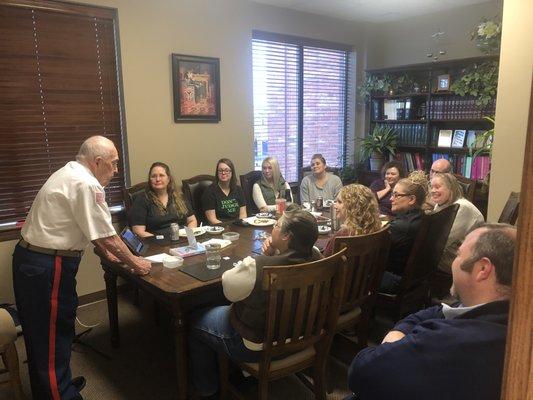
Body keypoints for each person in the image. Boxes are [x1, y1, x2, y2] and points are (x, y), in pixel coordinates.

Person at [12, 136, 151, 400]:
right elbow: (106, 237)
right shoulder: (86, 183)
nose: (117, 169)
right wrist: (137, 264)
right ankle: (58, 393)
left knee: (46, 333)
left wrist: (114, 257)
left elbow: (96, 239)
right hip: (47, 266)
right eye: (114, 163)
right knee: (51, 338)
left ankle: (55, 385)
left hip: (35, 262)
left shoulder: (70, 173)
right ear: (98, 162)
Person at [346, 223, 516, 400]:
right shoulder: (501, 312)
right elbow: (440, 310)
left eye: (458, 255)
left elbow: (360, 372)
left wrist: (392, 341)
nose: (453, 261)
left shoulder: (446, 341)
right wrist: (401, 331)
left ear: (482, 269)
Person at [187, 207, 321, 398]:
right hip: (303, 336)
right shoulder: (317, 256)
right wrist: (275, 252)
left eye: (276, 225)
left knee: (194, 320)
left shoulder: (258, 266)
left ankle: (207, 389)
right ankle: (235, 373)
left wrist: (264, 257)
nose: (272, 228)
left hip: (257, 345)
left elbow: (229, 290)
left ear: (286, 236)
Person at [430, 172, 484, 273]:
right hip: (452, 253)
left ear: (451, 189)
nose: (433, 191)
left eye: (437, 187)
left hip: (466, 261)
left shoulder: (462, 207)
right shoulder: (441, 204)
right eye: (431, 187)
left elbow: (443, 240)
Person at [379, 178, 425, 294]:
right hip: (416, 278)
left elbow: (374, 251)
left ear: (411, 199)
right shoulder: (421, 216)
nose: (391, 199)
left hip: (395, 279)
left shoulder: (400, 227)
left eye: (396, 195)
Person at [130, 162, 197, 238]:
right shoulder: (142, 200)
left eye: (161, 175)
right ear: (150, 180)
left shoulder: (179, 196)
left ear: (168, 179)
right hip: (156, 244)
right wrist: (161, 240)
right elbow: (138, 231)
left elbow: (192, 221)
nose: (158, 179)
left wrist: (188, 235)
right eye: (153, 176)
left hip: (182, 240)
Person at [323, 184, 381, 257]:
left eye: (339, 202)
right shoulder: (375, 229)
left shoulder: (342, 236)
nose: (335, 206)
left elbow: (325, 260)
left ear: (353, 207)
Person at [202, 158, 247, 224]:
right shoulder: (209, 192)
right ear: (217, 173)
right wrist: (226, 228)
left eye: (227, 171)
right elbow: (212, 220)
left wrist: (240, 226)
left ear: (232, 173)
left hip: (238, 226)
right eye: (220, 170)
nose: (223, 173)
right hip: (220, 228)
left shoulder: (238, 189)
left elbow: (243, 214)